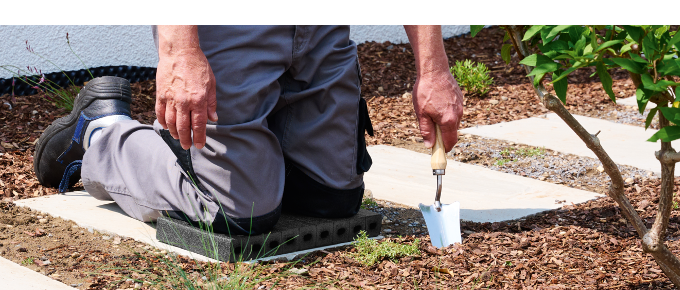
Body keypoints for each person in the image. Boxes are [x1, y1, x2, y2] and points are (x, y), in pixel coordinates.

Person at [33, 26, 464, 235]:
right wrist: (180, 49)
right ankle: (102, 132)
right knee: (238, 213)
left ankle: (253, 157)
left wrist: (433, 69)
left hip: (320, 27)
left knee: (332, 199)